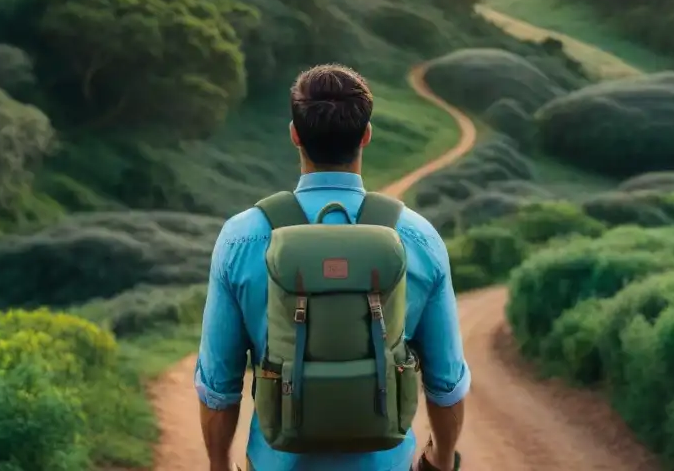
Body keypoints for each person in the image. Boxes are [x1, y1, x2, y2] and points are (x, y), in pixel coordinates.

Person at [195, 63, 469, 471]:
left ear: (294, 134)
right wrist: (442, 458)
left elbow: (219, 387)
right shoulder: (417, 237)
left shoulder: (242, 238)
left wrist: (219, 465)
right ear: (366, 135)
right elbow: (446, 382)